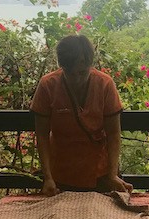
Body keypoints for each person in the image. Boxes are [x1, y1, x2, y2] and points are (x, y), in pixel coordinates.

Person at [30, 34, 133, 196]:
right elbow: (42, 135)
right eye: (69, 73)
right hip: (60, 173)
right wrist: (48, 177)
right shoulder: (48, 85)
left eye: (82, 72)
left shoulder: (105, 84)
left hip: (100, 172)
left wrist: (112, 174)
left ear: (90, 65)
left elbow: (114, 133)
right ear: (62, 66)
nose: (76, 79)